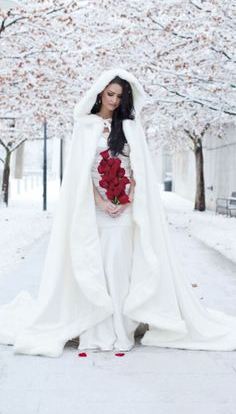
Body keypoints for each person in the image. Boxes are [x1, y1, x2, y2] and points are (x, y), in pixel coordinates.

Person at [1, 68, 236, 358]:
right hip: (93, 208)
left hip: (124, 206)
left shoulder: (130, 128)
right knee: (94, 261)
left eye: (119, 96)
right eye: (110, 94)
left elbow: (137, 169)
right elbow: (80, 173)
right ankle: (95, 326)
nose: (114, 100)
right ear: (100, 92)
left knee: (120, 261)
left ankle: (121, 327)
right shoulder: (85, 126)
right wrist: (101, 202)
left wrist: (126, 199)